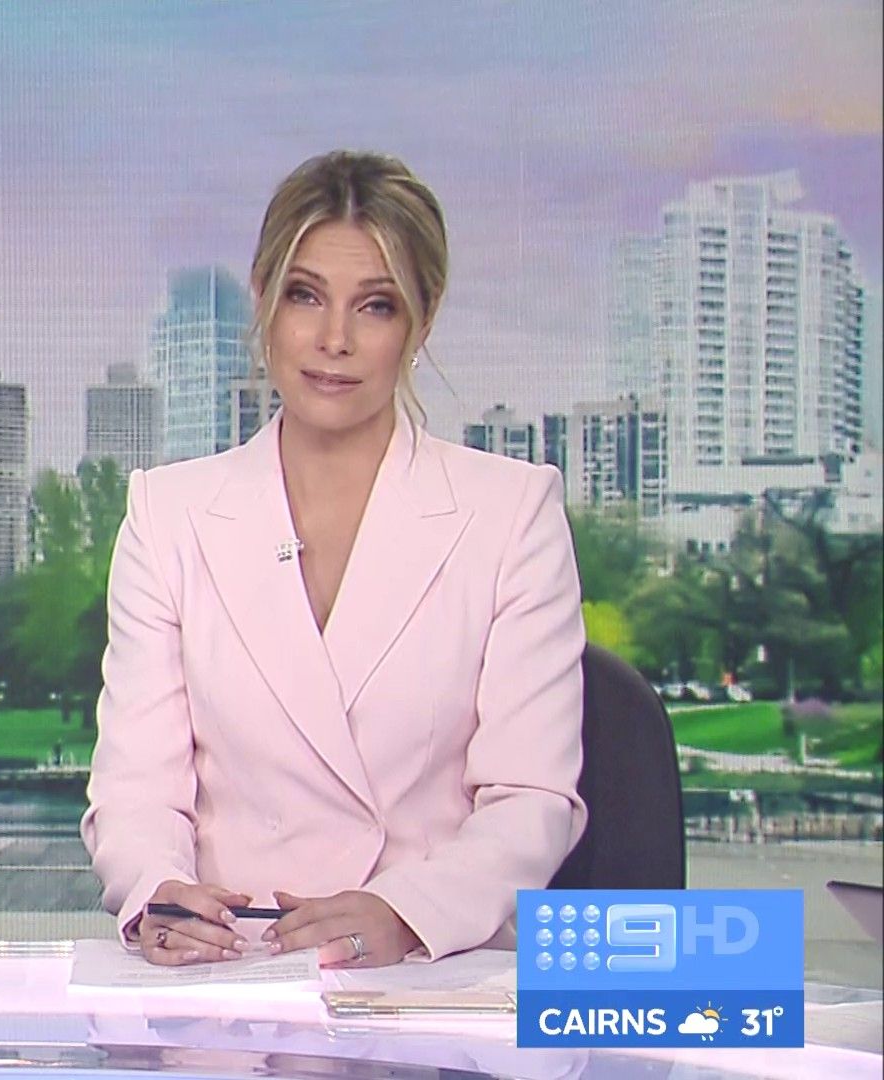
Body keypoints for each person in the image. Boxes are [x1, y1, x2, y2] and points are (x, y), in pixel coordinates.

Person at [81, 150, 587, 969]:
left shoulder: (512, 514)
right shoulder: (167, 516)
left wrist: (407, 912)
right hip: (229, 971)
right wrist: (157, 893)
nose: (334, 340)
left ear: (422, 321)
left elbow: (531, 799)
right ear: (263, 302)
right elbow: (137, 790)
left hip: (430, 967)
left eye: (375, 306)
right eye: (305, 296)